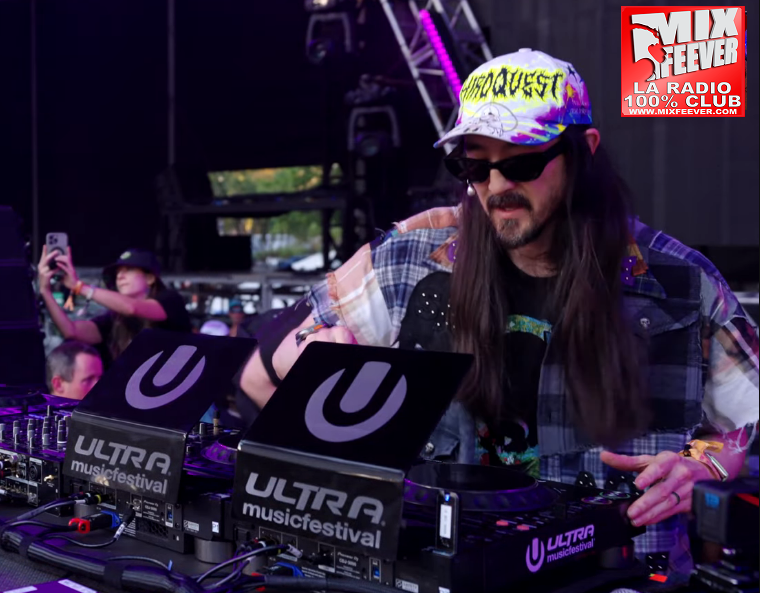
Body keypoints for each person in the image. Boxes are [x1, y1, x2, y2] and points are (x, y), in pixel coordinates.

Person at [240, 49, 758, 574]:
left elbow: (749, 420)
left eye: (522, 163)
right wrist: (313, 360)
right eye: (474, 166)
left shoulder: (680, 281)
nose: (496, 186)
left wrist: (706, 465)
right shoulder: (411, 257)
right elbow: (264, 372)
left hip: (621, 576)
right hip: (450, 572)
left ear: (584, 152)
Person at [38, 246, 193, 362]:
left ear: (150, 278)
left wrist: (79, 287)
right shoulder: (114, 319)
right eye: (118, 272)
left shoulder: (170, 300)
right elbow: (71, 330)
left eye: (129, 270)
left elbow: (132, 308)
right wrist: (45, 291)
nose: (120, 276)